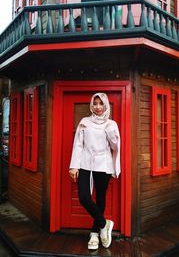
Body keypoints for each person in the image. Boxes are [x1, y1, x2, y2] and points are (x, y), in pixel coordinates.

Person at [69, 93, 121, 250]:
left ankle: (94, 233)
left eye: (101, 104)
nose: (98, 107)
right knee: (84, 197)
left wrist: (112, 134)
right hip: (85, 162)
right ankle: (105, 224)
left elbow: (115, 147)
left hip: (103, 164)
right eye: (95, 103)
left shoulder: (112, 124)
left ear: (106, 105)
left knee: (100, 198)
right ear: (91, 105)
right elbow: (78, 144)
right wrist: (74, 166)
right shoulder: (84, 122)